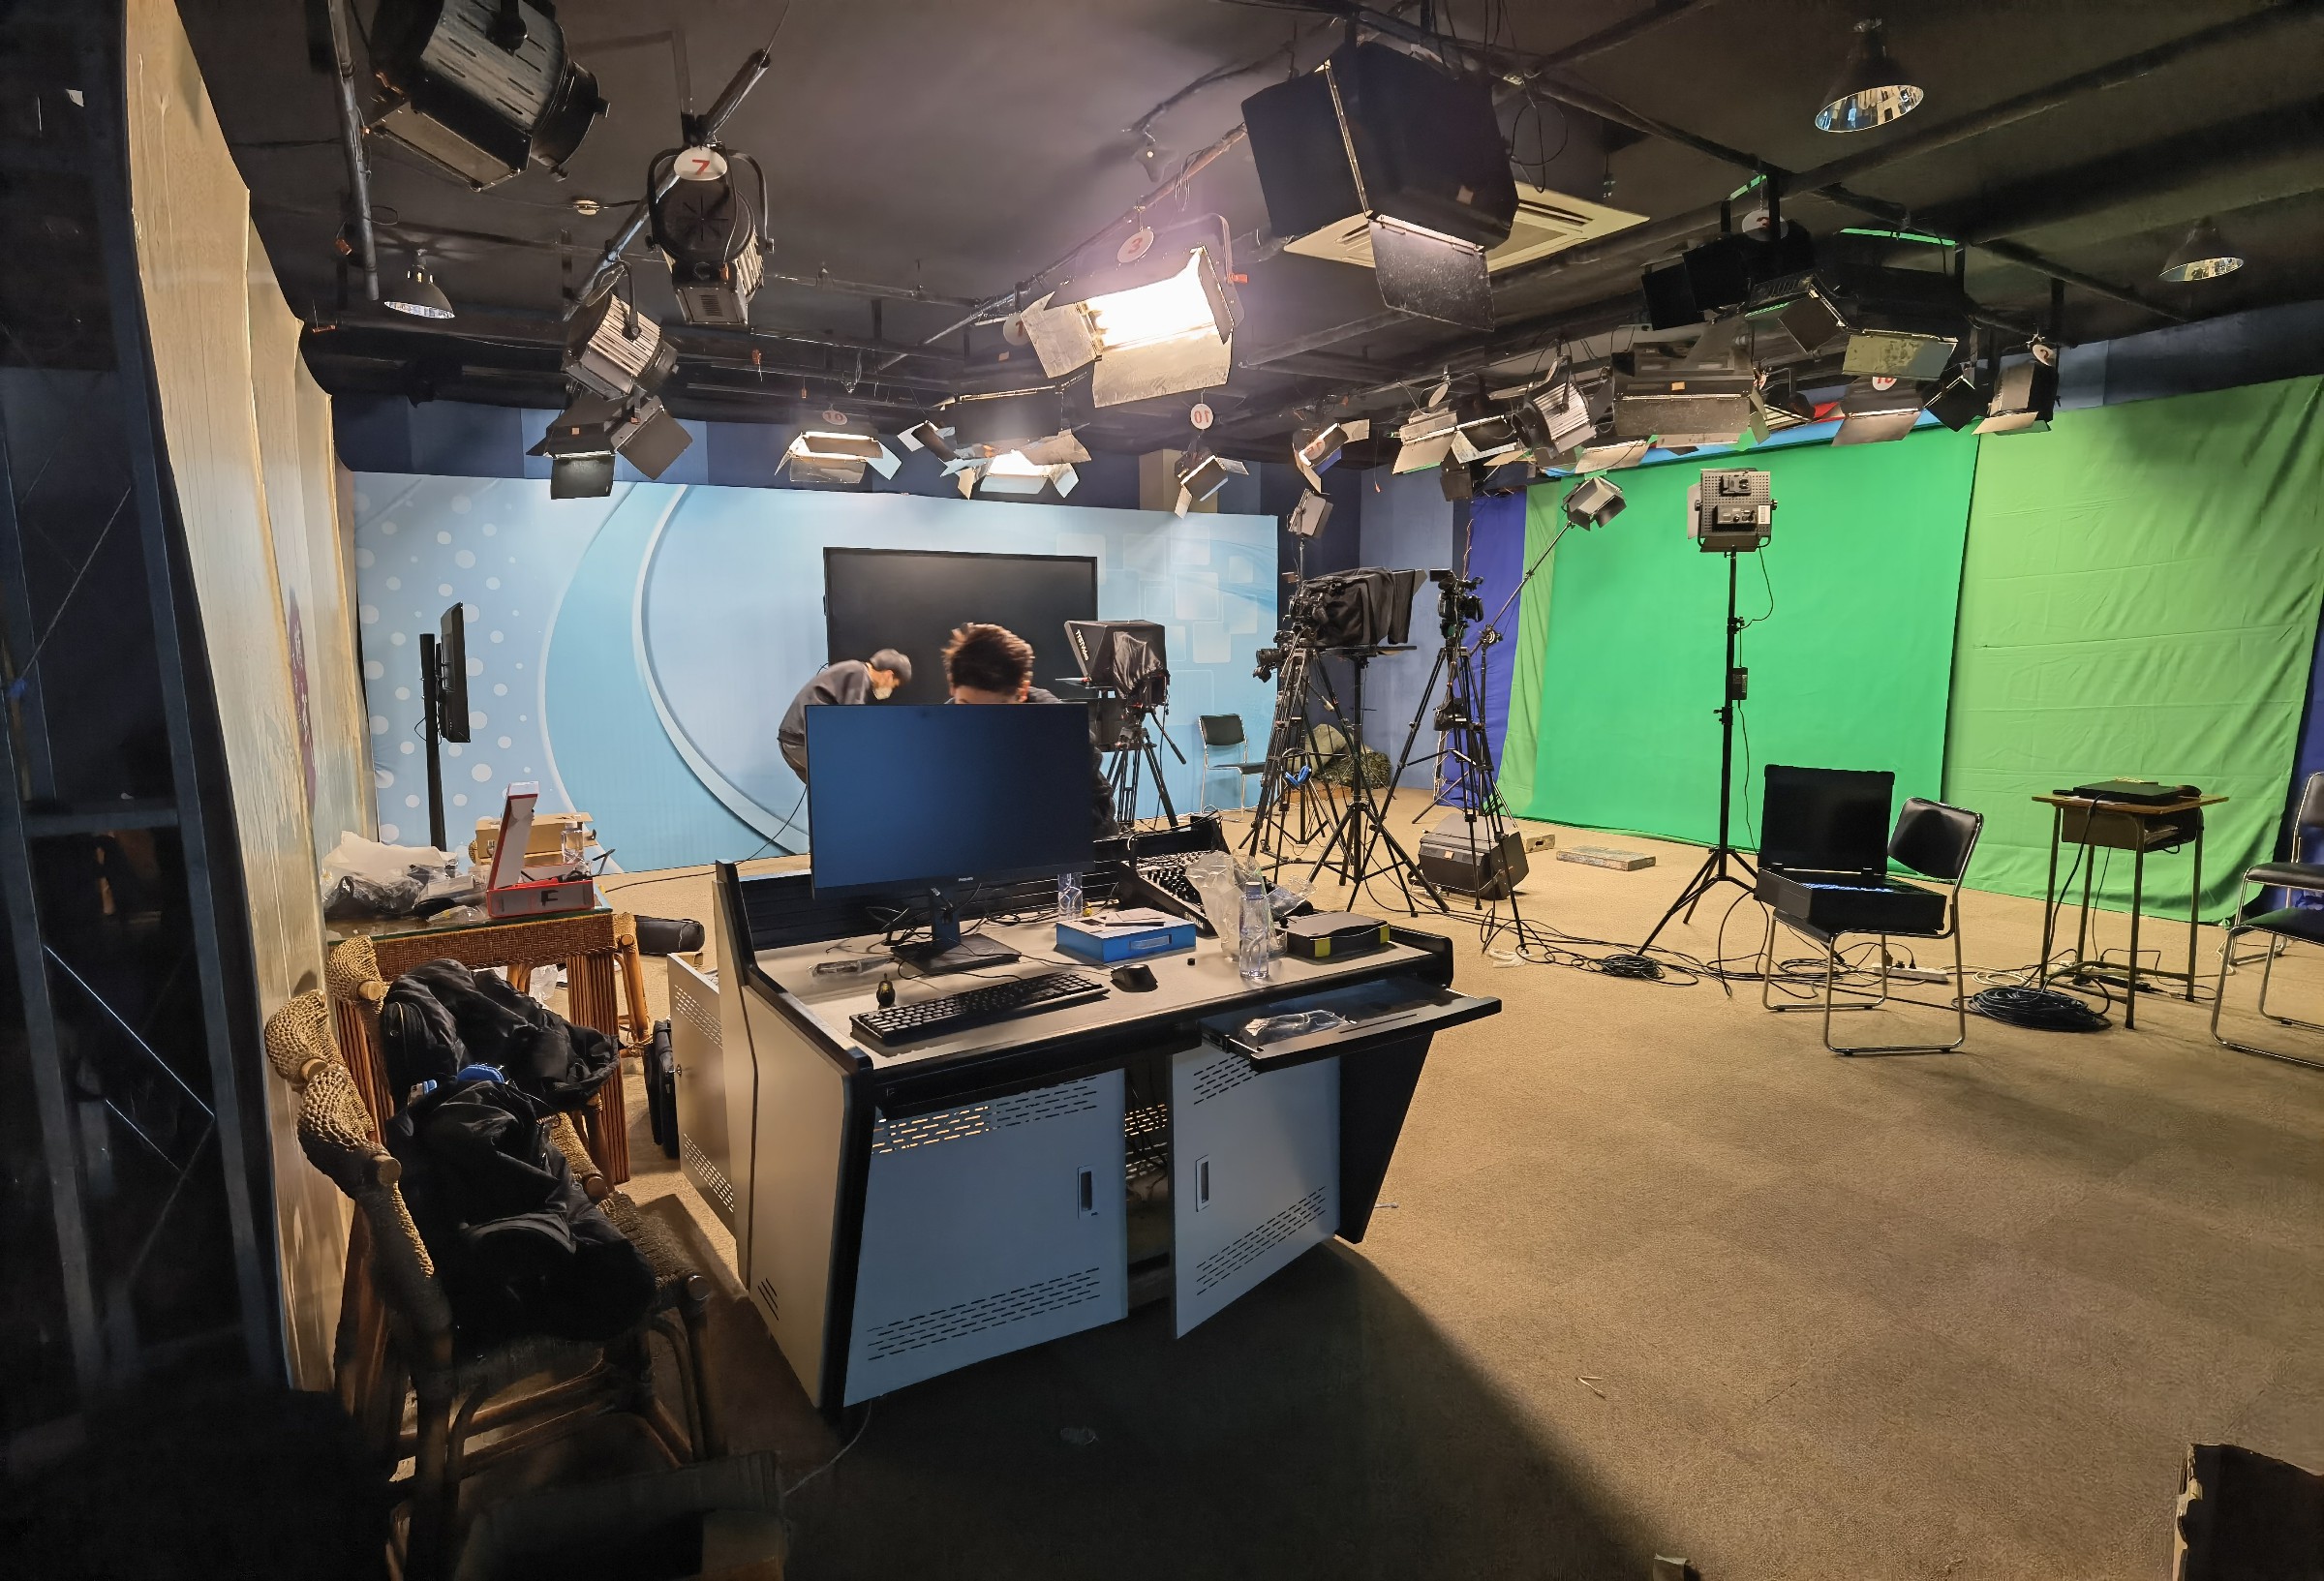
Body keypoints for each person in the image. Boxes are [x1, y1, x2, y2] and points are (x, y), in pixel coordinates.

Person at [941, 623, 1116, 836]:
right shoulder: (939, 731)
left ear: (1022, 691)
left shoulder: (1061, 730)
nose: (980, 724)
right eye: (966, 706)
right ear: (952, 686)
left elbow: (1101, 815)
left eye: (997, 711)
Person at [778, 648, 910, 778]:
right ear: (889, 675)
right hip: (802, 742)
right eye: (894, 685)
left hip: (793, 740)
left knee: (825, 789)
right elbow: (852, 721)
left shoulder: (853, 670)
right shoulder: (859, 673)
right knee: (848, 779)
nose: (890, 689)